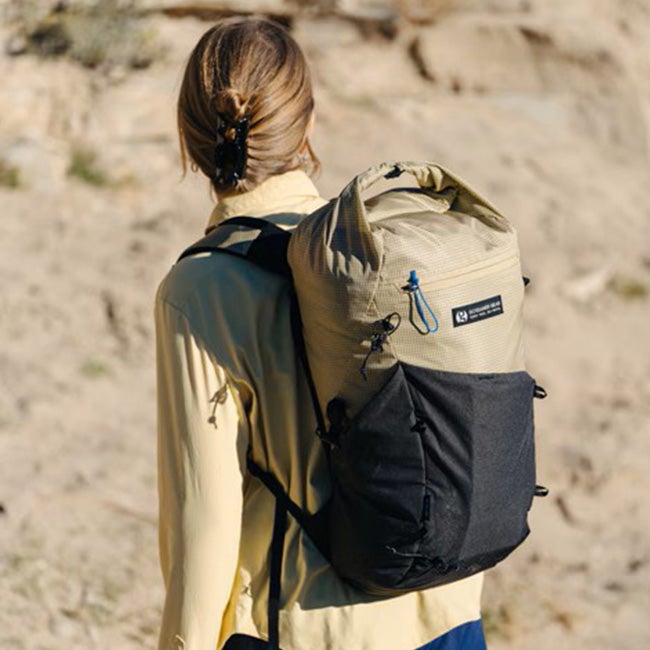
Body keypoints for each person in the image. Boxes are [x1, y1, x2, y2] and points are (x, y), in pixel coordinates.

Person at [155, 17, 487, 650]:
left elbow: (204, 518)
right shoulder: (382, 254)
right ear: (306, 126)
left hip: (308, 627)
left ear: (187, 133)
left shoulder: (201, 290)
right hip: (446, 612)